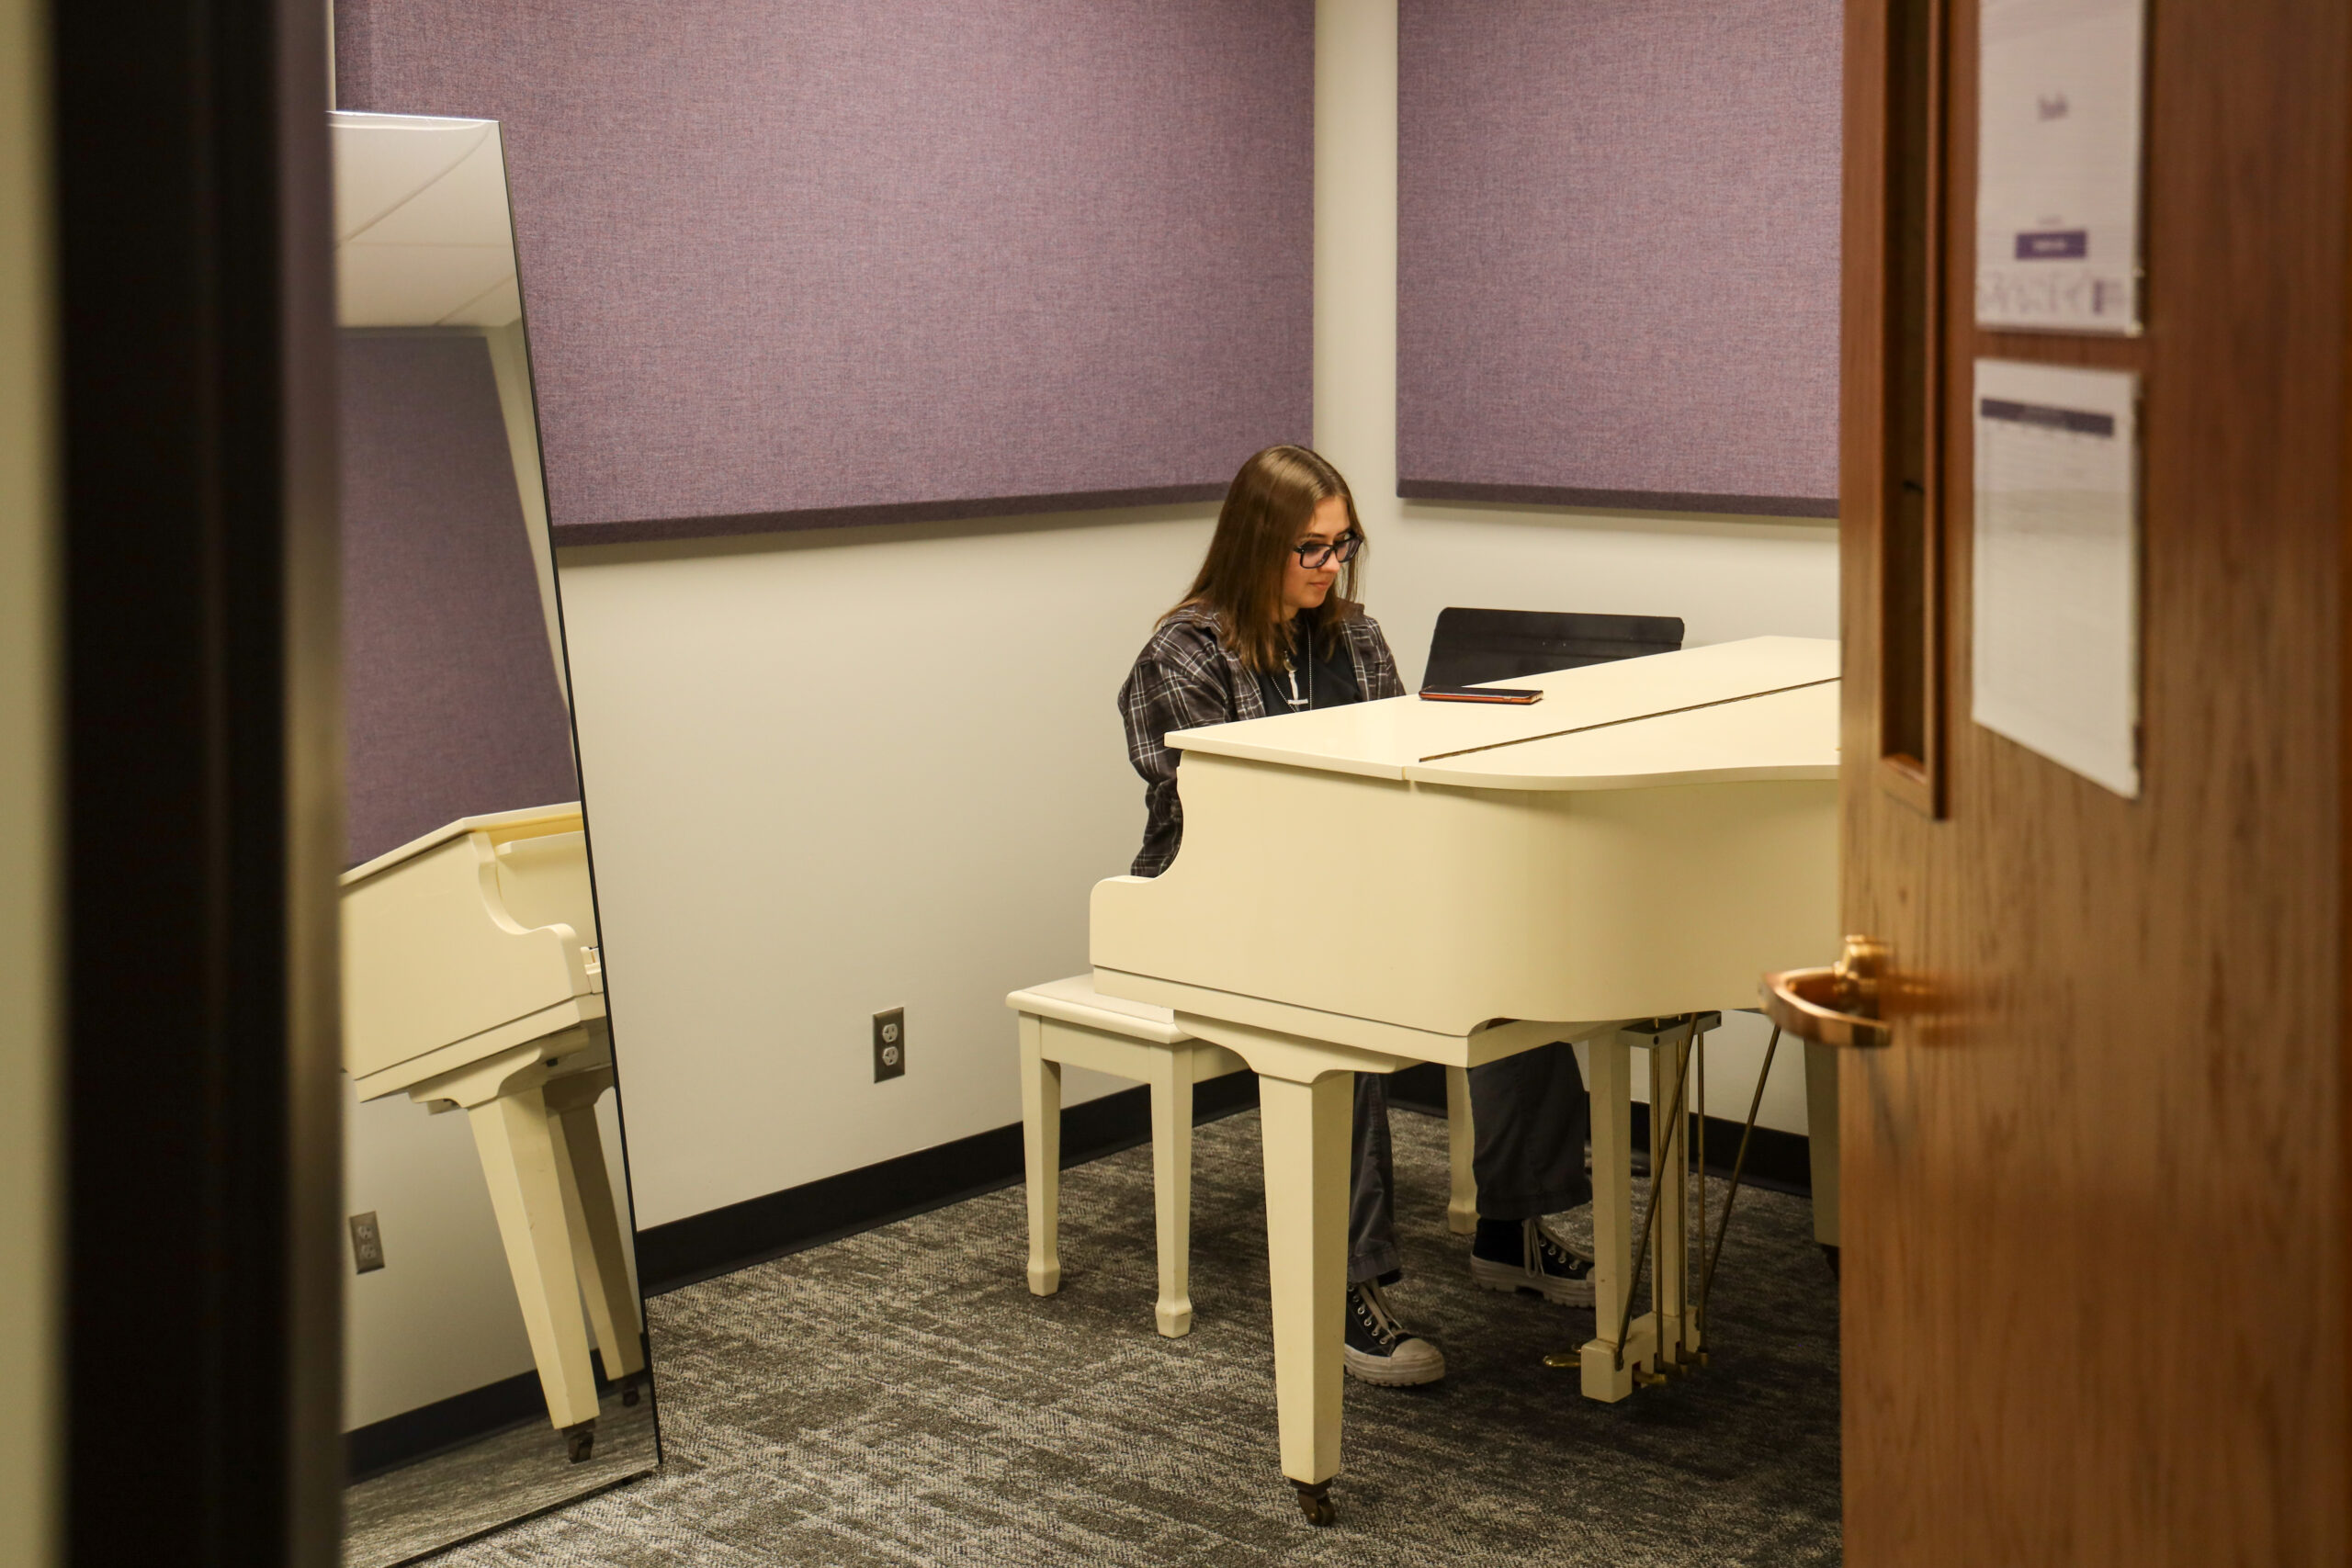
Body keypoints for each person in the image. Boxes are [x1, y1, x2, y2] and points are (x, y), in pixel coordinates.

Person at [1117, 444, 1593, 1387]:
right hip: (1219, 900)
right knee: (1345, 1011)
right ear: (1256, 544)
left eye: (1344, 547)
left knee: (1523, 966)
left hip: (1352, 888)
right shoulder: (1183, 651)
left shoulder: (1355, 638)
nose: (1330, 569)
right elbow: (1218, 807)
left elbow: (1398, 766)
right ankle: (1346, 1284)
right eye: (1311, 550)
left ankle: (1513, 1227)